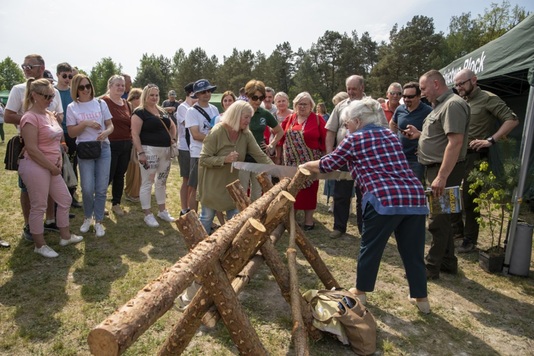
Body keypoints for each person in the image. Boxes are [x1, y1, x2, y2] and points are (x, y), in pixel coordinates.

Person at [300, 98, 430, 313]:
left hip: (383, 199)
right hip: (413, 197)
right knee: (413, 252)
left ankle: (361, 292)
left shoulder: (355, 138)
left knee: (371, 247)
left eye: (347, 124)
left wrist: (304, 165)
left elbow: (328, 164)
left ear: (358, 122)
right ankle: (422, 299)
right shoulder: (390, 135)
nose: (345, 128)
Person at [403, 69, 470, 280]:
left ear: (436, 84)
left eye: (423, 89)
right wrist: (420, 136)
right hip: (436, 168)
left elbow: (455, 142)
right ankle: (448, 261)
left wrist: (441, 177)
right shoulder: (440, 106)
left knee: (437, 220)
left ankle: (430, 267)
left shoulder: (452, 105)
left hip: (443, 170)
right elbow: (442, 137)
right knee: (444, 218)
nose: (422, 94)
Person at [452, 68, 519, 253]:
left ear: (474, 80)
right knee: (451, 193)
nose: (459, 88)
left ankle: (470, 240)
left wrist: (490, 140)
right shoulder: (460, 101)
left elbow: (512, 120)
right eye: (456, 85)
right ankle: (456, 231)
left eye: (462, 84)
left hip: (475, 154)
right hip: (457, 154)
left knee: (469, 196)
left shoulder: (488, 98)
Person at [19, 78, 83, 257]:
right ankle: (39, 245)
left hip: (52, 166)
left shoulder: (50, 114)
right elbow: (31, 149)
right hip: (35, 166)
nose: (50, 99)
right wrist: (51, 166)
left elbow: (57, 138)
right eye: (46, 96)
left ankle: (65, 236)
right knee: (38, 206)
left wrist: (59, 156)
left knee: (64, 200)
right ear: (34, 95)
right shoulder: (29, 117)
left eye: (52, 96)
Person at [4, 54, 64, 241]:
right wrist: (35, 121)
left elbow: (60, 116)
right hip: (29, 146)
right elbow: (8, 116)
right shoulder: (18, 89)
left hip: (52, 144)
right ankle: (30, 225)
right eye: (24, 66)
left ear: (41, 67)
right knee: (29, 189)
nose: (25, 69)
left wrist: (51, 119)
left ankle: (51, 220)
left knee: (52, 185)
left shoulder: (54, 91)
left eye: (29, 66)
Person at [198, 101, 273, 234]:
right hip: (213, 184)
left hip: (232, 185)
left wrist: (275, 170)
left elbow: (260, 155)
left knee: (235, 220)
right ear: (236, 115)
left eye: (250, 117)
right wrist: (224, 159)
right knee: (207, 217)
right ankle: (198, 249)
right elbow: (203, 159)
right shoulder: (217, 131)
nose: (248, 120)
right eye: (246, 117)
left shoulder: (246, 134)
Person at [325, 76, 374, 239]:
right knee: (340, 194)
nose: (351, 92)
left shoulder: (372, 106)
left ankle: (364, 229)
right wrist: (330, 153)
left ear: (362, 87)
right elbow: (331, 130)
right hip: (343, 157)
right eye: (348, 89)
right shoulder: (340, 106)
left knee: (364, 194)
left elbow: (382, 128)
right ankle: (339, 227)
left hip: (365, 158)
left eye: (354, 88)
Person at [67, 74, 114, 237]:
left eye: (88, 86)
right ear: (76, 89)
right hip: (85, 150)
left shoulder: (100, 103)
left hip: (103, 148)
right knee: (87, 188)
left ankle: (99, 221)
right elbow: (72, 133)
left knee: (101, 188)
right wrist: (85, 124)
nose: (86, 89)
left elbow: (110, 124)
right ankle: (88, 217)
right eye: (82, 87)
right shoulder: (72, 107)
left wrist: (106, 132)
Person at [278, 92, 326, 230]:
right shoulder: (289, 119)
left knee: (310, 191)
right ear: (295, 105)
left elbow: (325, 139)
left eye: (305, 104)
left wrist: (325, 158)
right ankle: (292, 218)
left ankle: (309, 221)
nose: (302, 106)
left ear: (311, 105)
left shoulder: (317, 119)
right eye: (299, 103)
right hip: (291, 162)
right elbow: (280, 139)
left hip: (311, 163)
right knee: (293, 190)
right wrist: (278, 158)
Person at [131, 84, 177, 227]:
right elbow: (135, 134)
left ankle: (162, 211)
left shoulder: (162, 110)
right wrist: (141, 153)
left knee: (161, 182)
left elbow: (172, 126)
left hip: (165, 151)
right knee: (147, 182)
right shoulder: (139, 112)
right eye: (151, 95)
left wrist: (173, 139)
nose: (154, 98)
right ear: (145, 95)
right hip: (149, 151)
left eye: (156, 95)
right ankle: (148, 214)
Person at [240, 79, 283, 201]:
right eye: (255, 97)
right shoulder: (239, 111)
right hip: (242, 157)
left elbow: (280, 131)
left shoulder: (264, 113)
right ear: (247, 95)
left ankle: (254, 217)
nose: (258, 101)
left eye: (261, 97)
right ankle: (240, 218)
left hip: (259, 156)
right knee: (241, 191)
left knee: (257, 191)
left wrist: (271, 145)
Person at [185, 79, 220, 212]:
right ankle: (192, 217)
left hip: (213, 153)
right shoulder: (191, 111)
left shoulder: (214, 109)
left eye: (208, 90)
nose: (207, 94)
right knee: (194, 187)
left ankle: (206, 219)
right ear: (197, 95)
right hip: (198, 154)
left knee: (210, 188)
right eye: (203, 92)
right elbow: (196, 135)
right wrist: (215, 140)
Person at [389, 82, 432, 183]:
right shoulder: (400, 109)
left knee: (414, 187)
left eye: (410, 97)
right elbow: (392, 123)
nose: (406, 99)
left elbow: (433, 134)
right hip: (399, 157)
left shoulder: (428, 111)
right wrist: (394, 139)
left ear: (418, 96)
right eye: (404, 96)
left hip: (416, 159)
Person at [102, 75, 132, 216]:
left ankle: (116, 204)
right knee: (107, 175)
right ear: (110, 86)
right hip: (110, 144)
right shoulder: (103, 102)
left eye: (122, 85)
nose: (120, 87)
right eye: (117, 85)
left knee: (120, 175)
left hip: (126, 144)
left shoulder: (126, 103)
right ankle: (100, 204)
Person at [55, 62, 81, 209]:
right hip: (57, 133)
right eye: (64, 75)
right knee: (58, 165)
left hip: (72, 133)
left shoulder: (74, 92)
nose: (67, 78)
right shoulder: (52, 92)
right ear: (58, 74)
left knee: (72, 163)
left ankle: (71, 196)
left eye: (70, 76)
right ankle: (58, 197)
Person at [176, 83, 197, 215]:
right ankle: (184, 208)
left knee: (193, 181)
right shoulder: (183, 108)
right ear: (190, 94)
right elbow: (190, 125)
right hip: (185, 147)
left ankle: (191, 208)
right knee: (186, 179)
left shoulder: (196, 108)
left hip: (194, 148)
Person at [124, 88, 143, 202]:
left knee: (138, 169)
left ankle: (136, 191)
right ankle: (132, 192)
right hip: (132, 142)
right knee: (134, 168)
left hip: (139, 141)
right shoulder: (130, 108)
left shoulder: (138, 109)